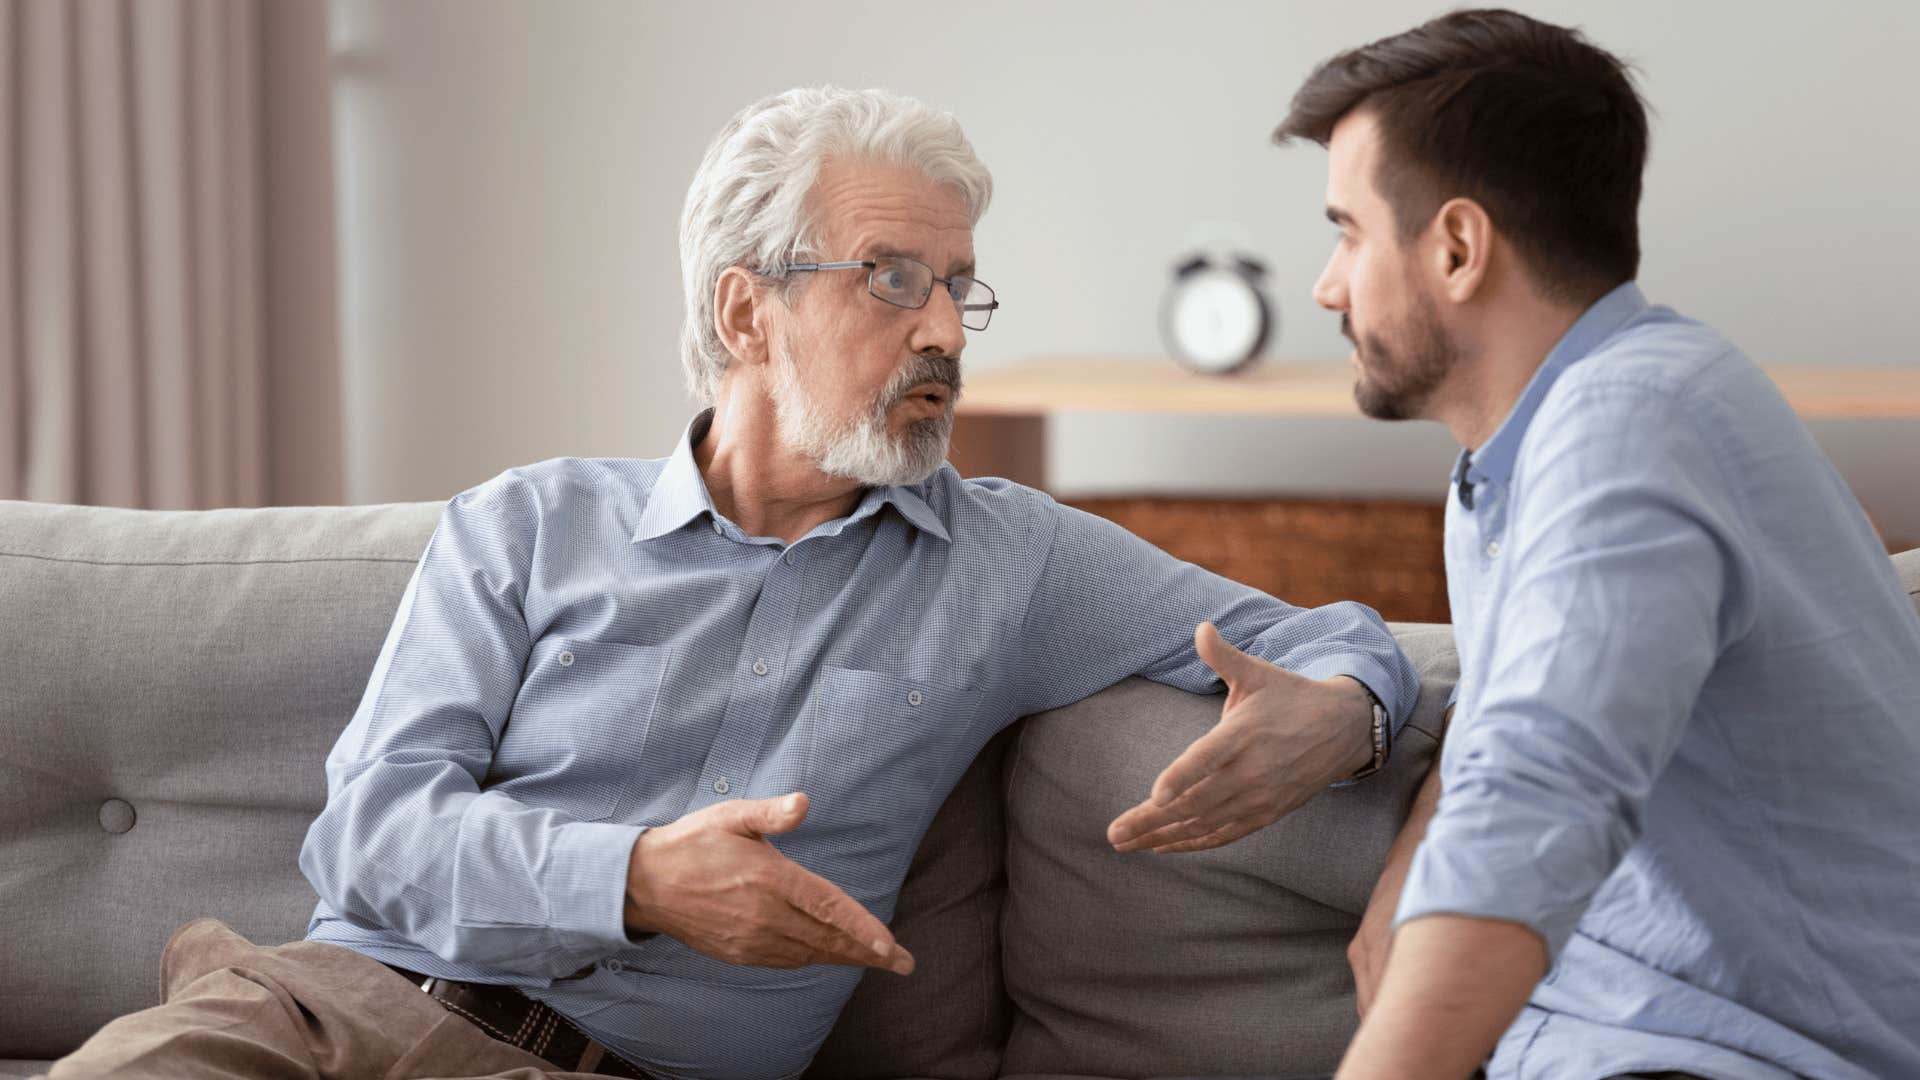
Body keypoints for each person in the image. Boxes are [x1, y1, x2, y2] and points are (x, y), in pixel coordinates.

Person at [40, 86, 1419, 1080]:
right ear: (744, 310)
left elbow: (1341, 639)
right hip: (323, 1013)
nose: (943, 326)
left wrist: (1347, 712)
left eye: (957, 287)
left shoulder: (1015, 560)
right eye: (891, 279)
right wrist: (636, 880)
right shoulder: (525, 526)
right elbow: (367, 844)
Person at [1275, 10, 1920, 1080]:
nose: (1326, 284)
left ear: (1457, 247)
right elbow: (1519, 710)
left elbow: (1541, 793)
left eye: (1348, 231)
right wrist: (1399, 889)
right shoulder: (1513, 458)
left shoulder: (1636, 422)